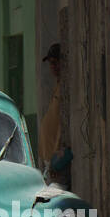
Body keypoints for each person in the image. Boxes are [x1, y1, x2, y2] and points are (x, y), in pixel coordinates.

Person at [38, 44, 72, 188]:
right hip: (50, 158)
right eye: (50, 63)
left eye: (54, 62)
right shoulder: (58, 85)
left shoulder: (66, 85)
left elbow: (61, 123)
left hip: (56, 157)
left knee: (56, 202)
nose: (52, 67)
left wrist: (55, 155)